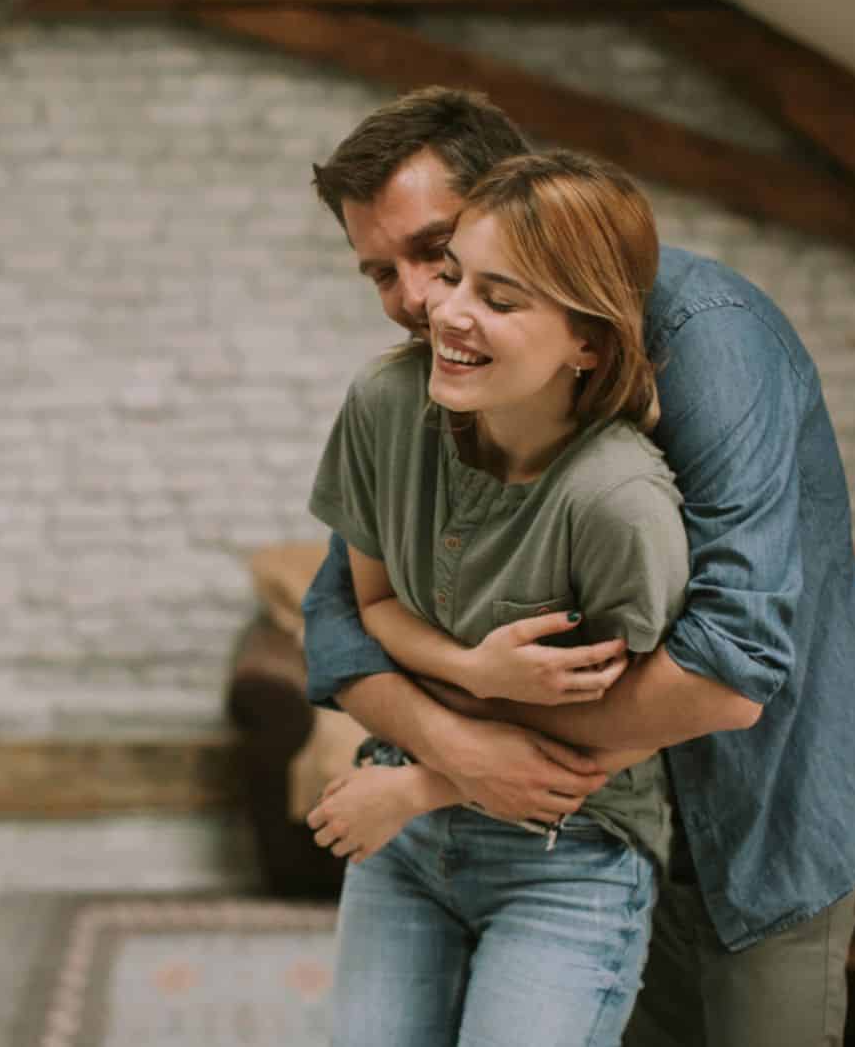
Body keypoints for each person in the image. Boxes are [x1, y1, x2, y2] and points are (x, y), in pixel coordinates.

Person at [299, 87, 855, 1047]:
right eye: (385, 271)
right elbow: (342, 614)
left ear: (510, 198)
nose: (421, 300)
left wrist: (445, 766)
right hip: (591, 829)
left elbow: (727, 669)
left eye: (435, 251)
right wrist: (460, 741)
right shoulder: (437, 388)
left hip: (757, 799)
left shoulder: (710, 346)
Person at [310, 149, 688, 1047]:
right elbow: (370, 605)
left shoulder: (620, 504)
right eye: (455, 278)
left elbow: (624, 726)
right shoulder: (384, 404)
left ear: (588, 342)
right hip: (405, 851)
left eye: (500, 299)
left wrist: (414, 788)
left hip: (569, 859)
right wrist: (473, 668)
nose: (444, 312)